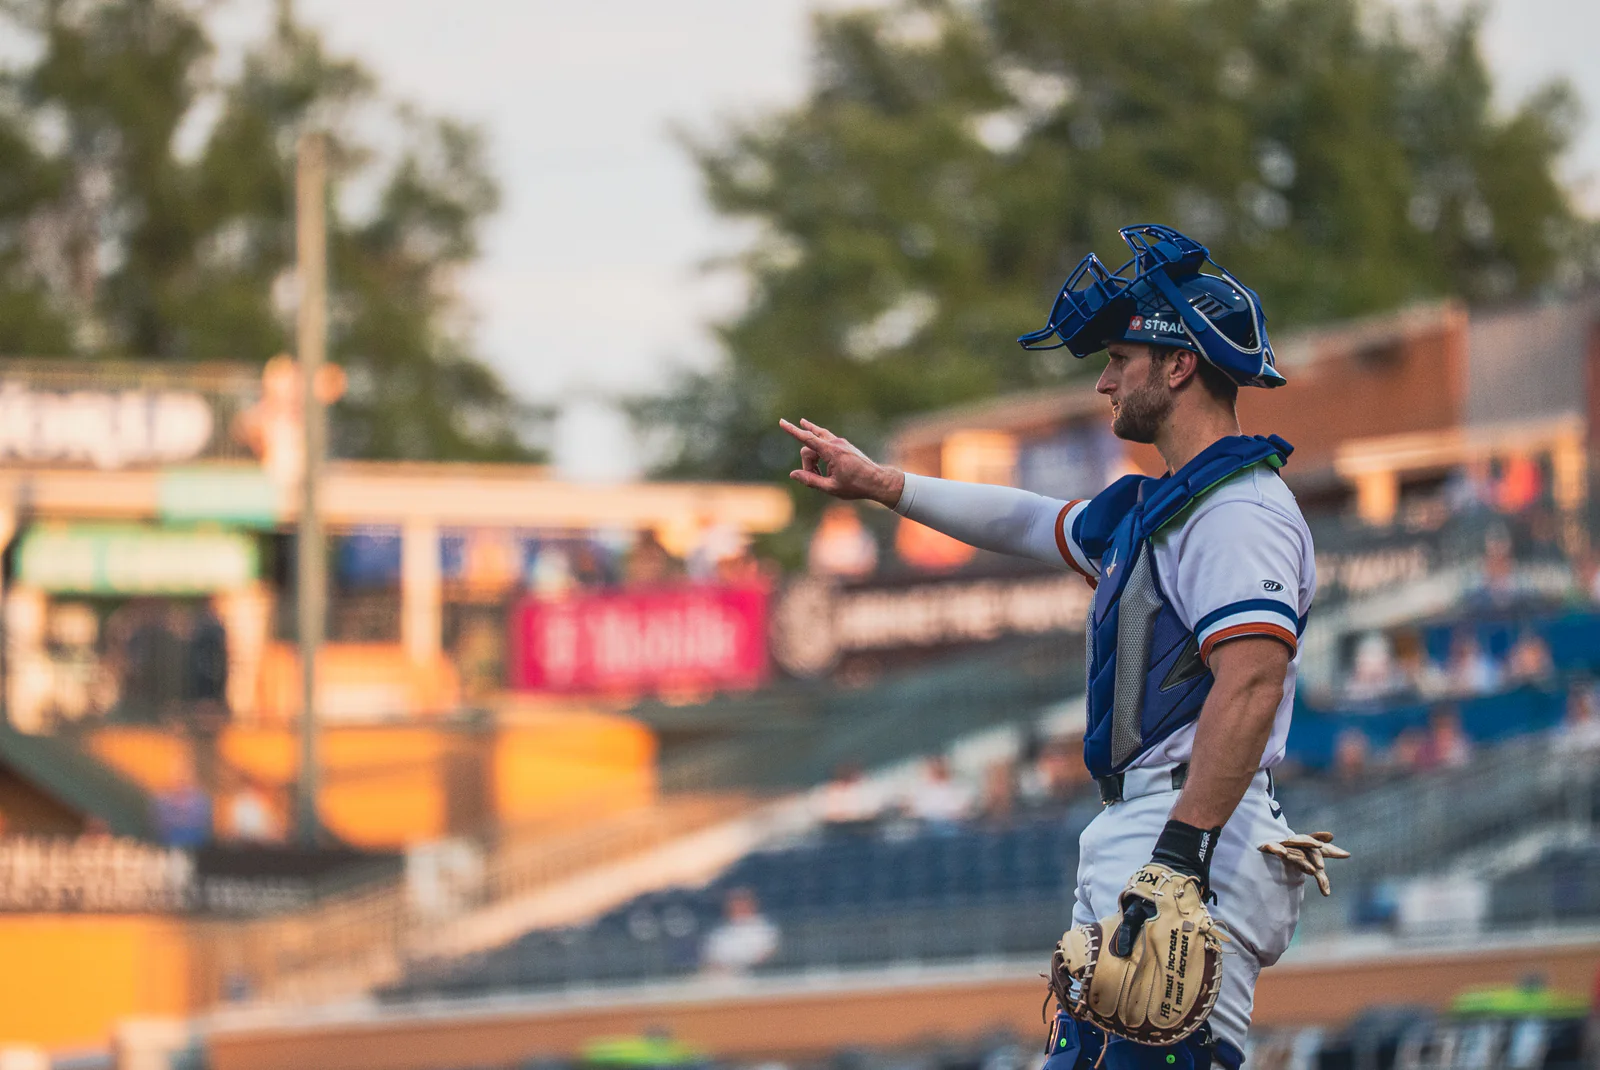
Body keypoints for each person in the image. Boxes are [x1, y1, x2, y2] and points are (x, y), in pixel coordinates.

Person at [780, 225, 1320, 1070]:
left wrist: (1180, 854)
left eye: (1121, 359)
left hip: (1188, 828)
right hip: (1156, 826)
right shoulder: (1164, 505)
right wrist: (885, 485)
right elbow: (1031, 520)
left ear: (1179, 365)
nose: (1104, 380)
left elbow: (1251, 684)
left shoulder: (1237, 511)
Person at [700, 887, 779, 976]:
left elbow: (768, 955)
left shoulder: (766, 928)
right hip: (725, 978)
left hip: (760, 977)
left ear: (752, 904)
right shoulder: (719, 933)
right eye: (734, 903)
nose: (738, 906)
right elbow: (710, 960)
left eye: (742, 902)